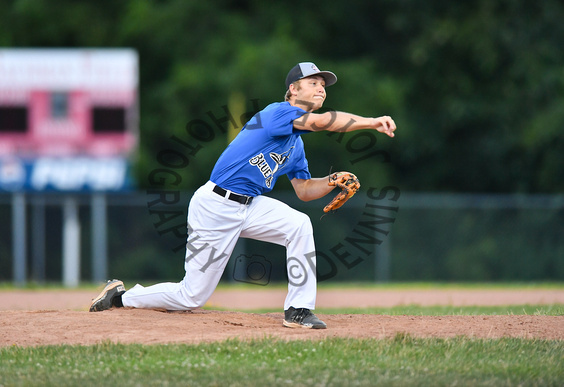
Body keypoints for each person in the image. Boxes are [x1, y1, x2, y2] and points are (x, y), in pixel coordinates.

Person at [89, 62, 396, 329]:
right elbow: (321, 121)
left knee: (300, 224)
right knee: (191, 296)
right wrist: (370, 122)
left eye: (323, 85)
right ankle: (121, 296)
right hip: (215, 205)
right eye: (313, 83)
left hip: (251, 205)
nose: (320, 88)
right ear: (293, 89)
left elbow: (303, 191)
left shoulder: (296, 146)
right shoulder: (277, 113)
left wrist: (331, 180)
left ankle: (299, 311)